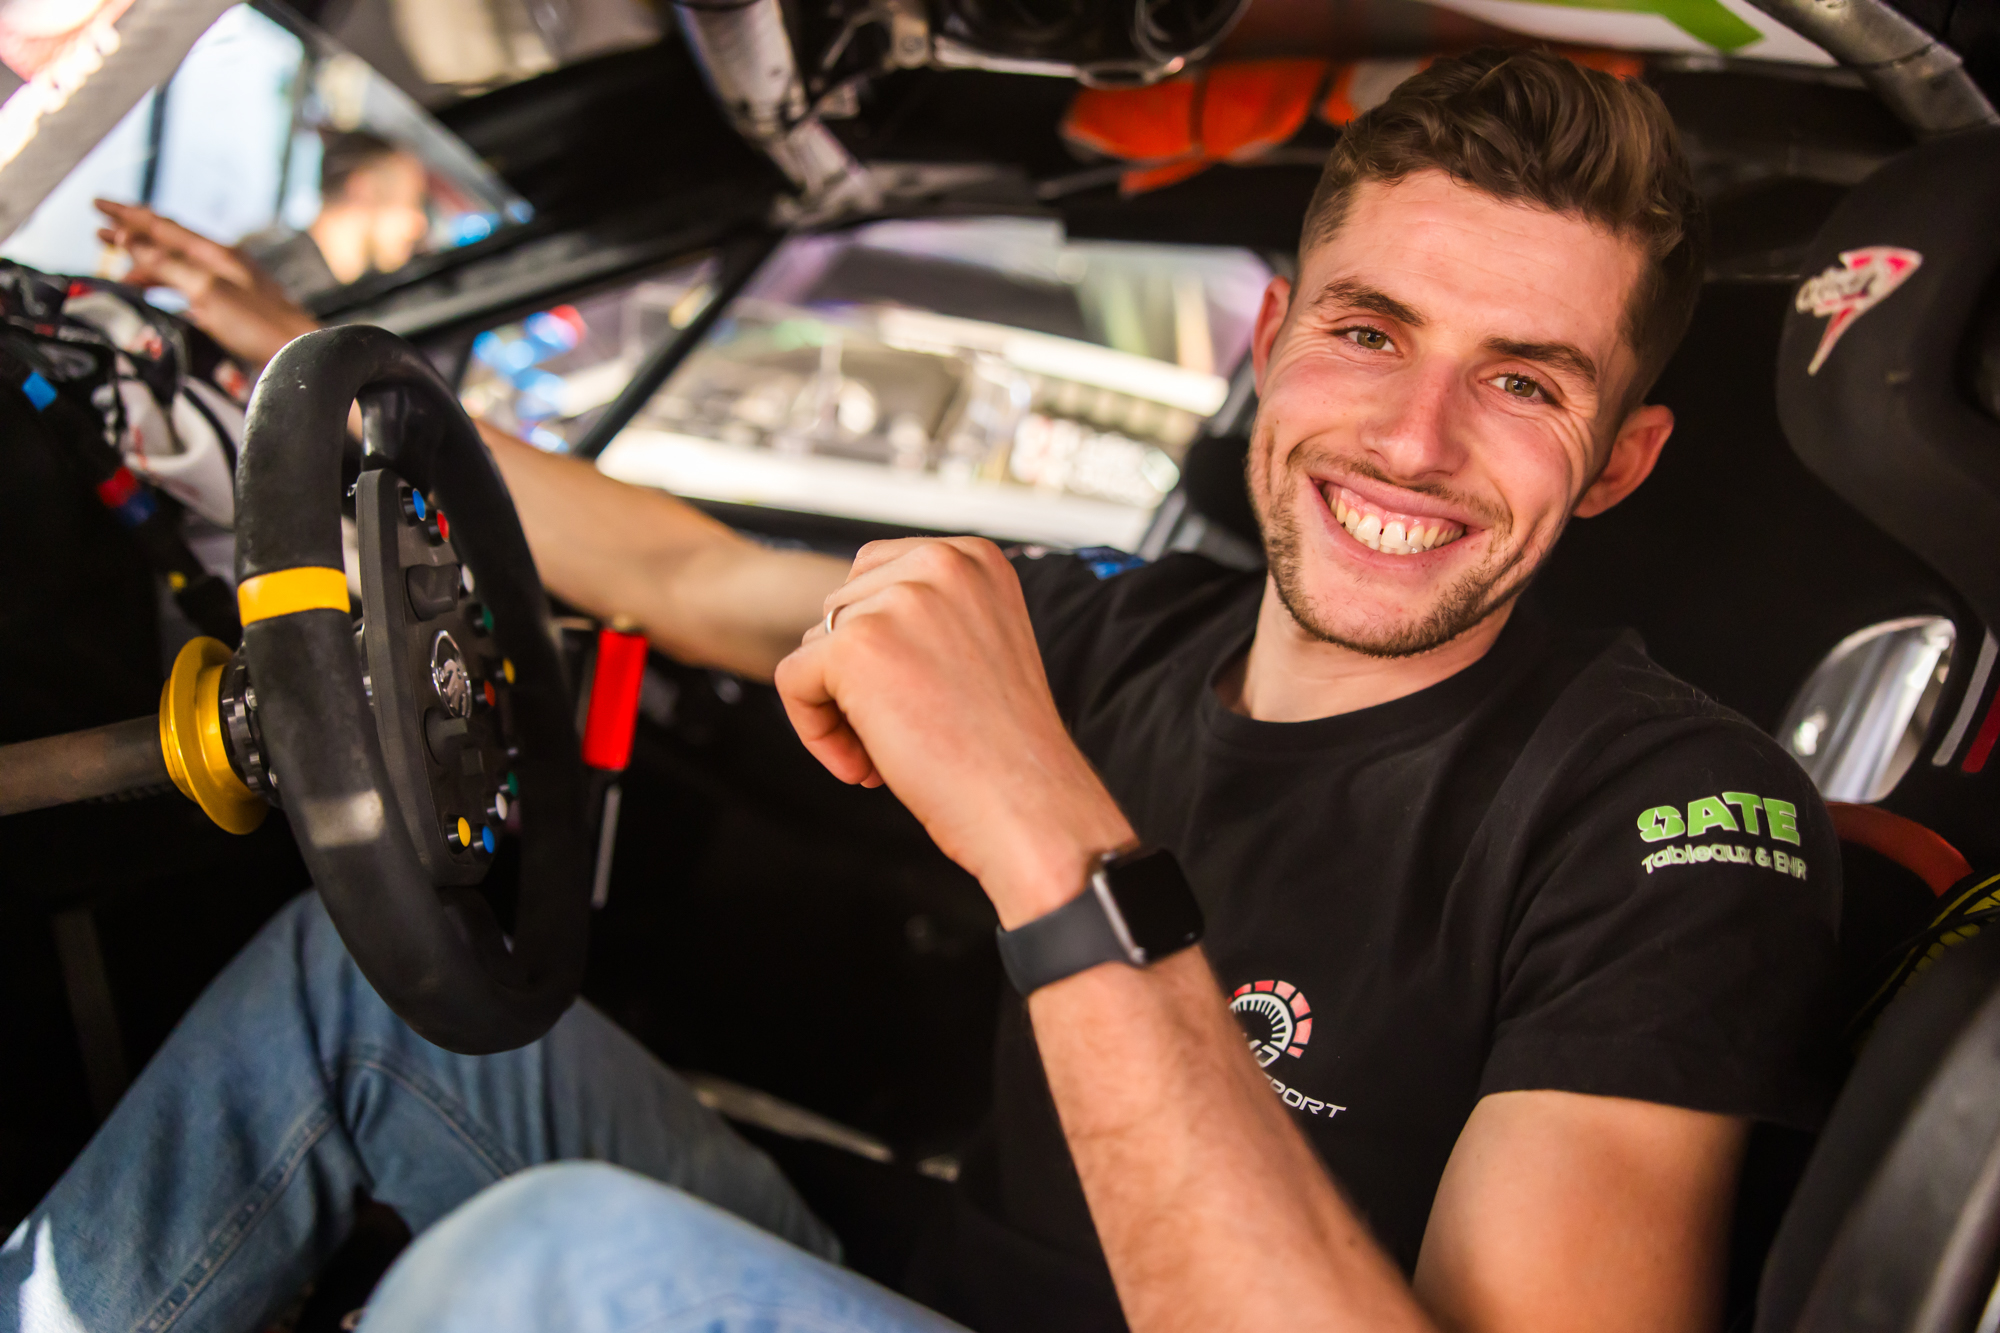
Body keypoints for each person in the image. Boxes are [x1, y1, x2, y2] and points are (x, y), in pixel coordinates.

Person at [4, 50, 1840, 1333]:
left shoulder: (1675, 819)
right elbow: (687, 575)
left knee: (541, 1266)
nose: (1415, 440)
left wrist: (1047, 828)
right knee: (350, 993)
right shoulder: (1133, 631)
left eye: (1524, 382)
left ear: (1619, 460)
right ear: (1278, 345)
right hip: (942, 1281)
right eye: (1372, 332)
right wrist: (309, 369)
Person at [96, 131, 431, 310]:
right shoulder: (274, 280)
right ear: (364, 189)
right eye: (412, 203)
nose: (420, 224)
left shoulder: (268, 256)